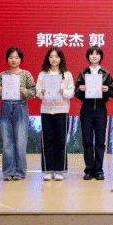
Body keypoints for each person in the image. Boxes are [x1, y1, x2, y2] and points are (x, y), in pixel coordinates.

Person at [0, 47, 36, 181]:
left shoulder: (26, 74)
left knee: (20, 142)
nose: (13, 60)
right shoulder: (2, 75)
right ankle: (8, 171)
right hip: (6, 107)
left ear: (20, 59)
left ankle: (20, 172)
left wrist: (26, 92)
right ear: (7, 59)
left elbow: (34, 91)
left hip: (21, 107)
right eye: (11, 57)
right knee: (7, 141)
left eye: (16, 57)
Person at [75, 46, 113, 181]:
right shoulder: (83, 73)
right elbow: (76, 92)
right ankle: (88, 170)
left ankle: (98, 170)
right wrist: (81, 89)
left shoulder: (105, 73)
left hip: (100, 109)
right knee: (87, 141)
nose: (94, 56)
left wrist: (107, 89)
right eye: (91, 54)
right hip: (86, 109)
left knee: (100, 141)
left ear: (100, 57)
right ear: (88, 57)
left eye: (97, 54)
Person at [36, 47, 75, 181]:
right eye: (51, 56)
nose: (54, 59)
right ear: (48, 59)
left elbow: (71, 92)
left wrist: (63, 92)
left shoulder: (67, 75)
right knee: (47, 140)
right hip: (46, 110)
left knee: (60, 140)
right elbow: (37, 92)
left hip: (61, 110)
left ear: (60, 59)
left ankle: (59, 170)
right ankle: (48, 170)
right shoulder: (43, 74)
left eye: (56, 57)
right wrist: (42, 92)